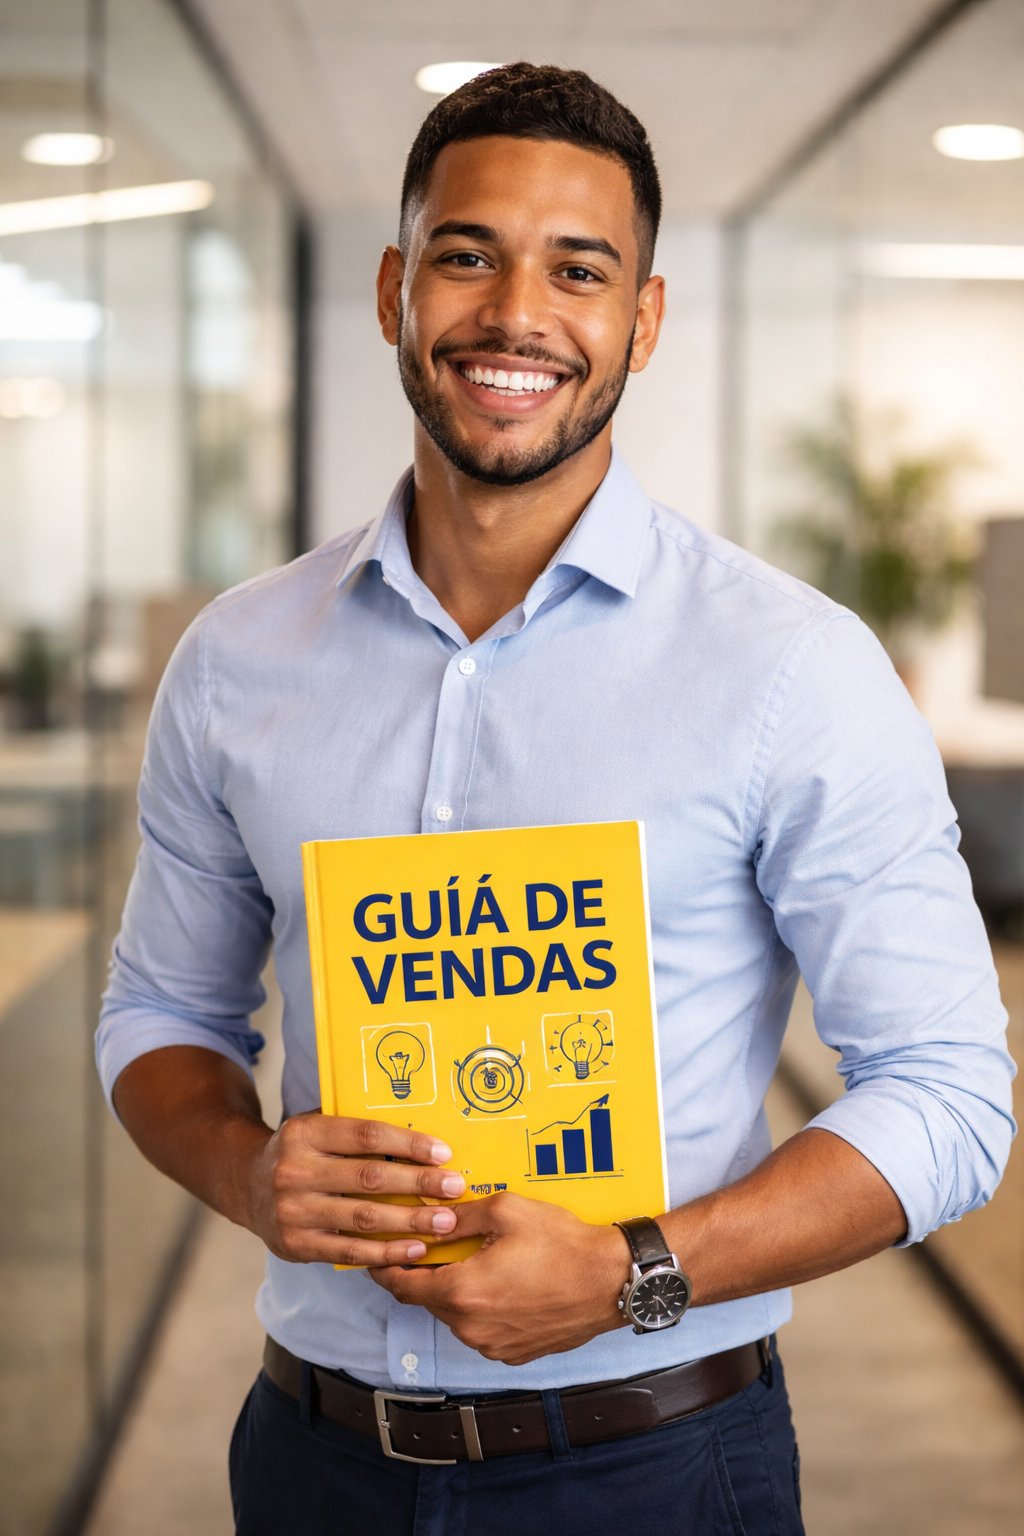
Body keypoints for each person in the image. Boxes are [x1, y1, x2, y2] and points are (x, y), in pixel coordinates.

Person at [98, 63, 1014, 1536]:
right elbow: (159, 1019)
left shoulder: (793, 668)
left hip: (656, 1469)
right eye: (467, 255)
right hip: (310, 1460)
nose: (516, 313)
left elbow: (953, 1096)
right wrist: (250, 1169)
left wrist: (634, 1269)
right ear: (397, 288)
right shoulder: (237, 662)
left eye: (578, 270)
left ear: (640, 323)